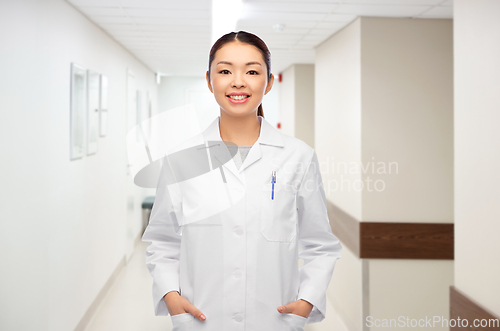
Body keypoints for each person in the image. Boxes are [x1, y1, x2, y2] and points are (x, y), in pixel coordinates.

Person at [142, 30, 342, 331]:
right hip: (202, 318)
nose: (238, 81)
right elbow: (161, 240)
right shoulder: (180, 159)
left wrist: (306, 303)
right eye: (225, 71)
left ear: (269, 82)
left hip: (276, 319)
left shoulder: (298, 156)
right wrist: (171, 296)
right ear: (210, 81)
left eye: (251, 71)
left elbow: (320, 245)